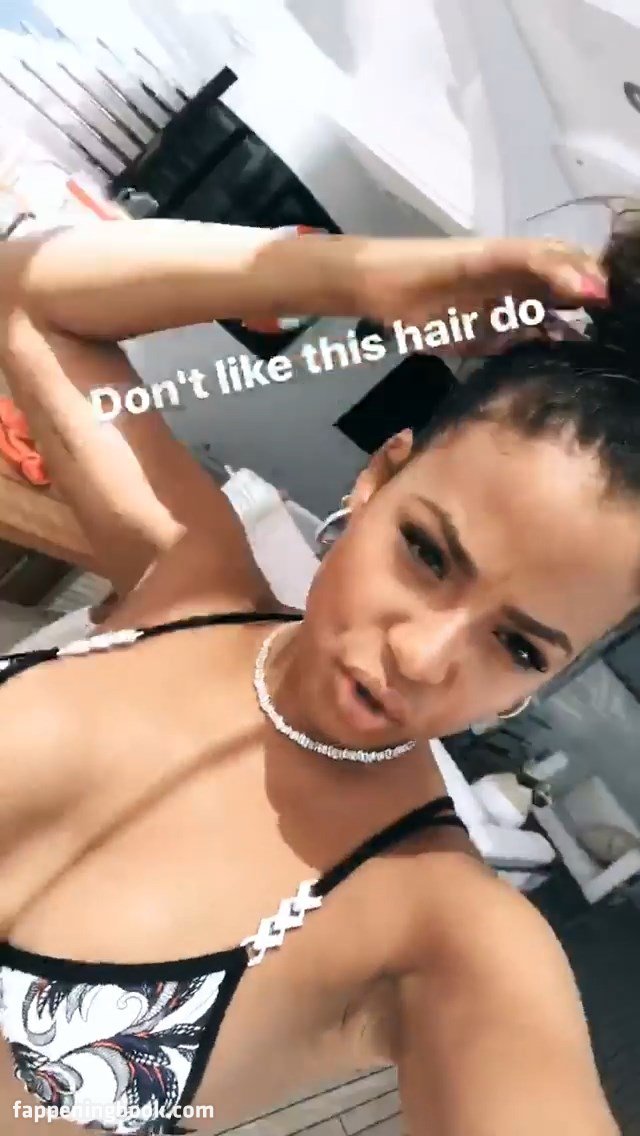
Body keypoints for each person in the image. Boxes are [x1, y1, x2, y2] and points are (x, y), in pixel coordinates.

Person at [0, 220, 633, 1136]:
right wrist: (361, 274)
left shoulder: (439, 931)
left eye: (520, 648)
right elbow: (28, 297)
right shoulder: (185, 581)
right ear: (375, 483)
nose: (423, 657)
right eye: (427, 553)